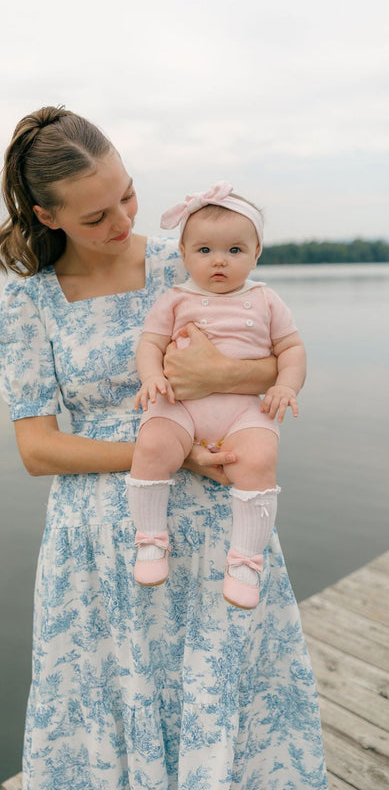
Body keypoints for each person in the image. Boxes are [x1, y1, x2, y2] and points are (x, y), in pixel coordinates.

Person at [0, 106, 328, 789]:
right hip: (98, 547)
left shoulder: (188, 261)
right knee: (109, 708)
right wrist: (162, 453)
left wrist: (224, 379)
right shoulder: (29, 303)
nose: (120, 223)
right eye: (95, 217)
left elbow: (279, 359)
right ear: (47, 216)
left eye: (127, 195)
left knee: (225, 693)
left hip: (212, 522)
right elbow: (37, 449)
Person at [128, 182, 306, 610]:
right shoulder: (175, 299)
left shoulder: (266, 300)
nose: (219, 261)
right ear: (185, 255)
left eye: (235, 250)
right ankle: (151, 538)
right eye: (204, 250)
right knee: (152, 443)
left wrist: (285, 384)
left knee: (259, 459)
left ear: (256, 252)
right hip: (182, 407)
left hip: (244, 411)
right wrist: (151, 377)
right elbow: (150, 344)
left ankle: (246, 559)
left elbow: (293, 349)